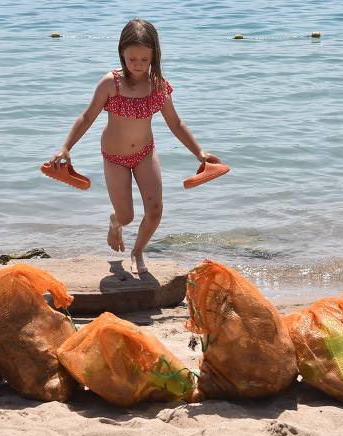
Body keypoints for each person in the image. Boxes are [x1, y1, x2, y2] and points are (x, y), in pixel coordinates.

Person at [49, 18, 221, 274]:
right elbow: (86, 117)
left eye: (144, 59)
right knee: (126, 216)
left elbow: (176, 123)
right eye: (132, 59)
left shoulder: (158, 85)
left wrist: (200, 153)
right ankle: (115, 222)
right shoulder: (111, 83)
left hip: (144, 153)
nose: (138, 64)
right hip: (114, 157)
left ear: (154, 56)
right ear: (122, 54)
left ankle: (138, 251)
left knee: (155, 210)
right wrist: (66, 147)